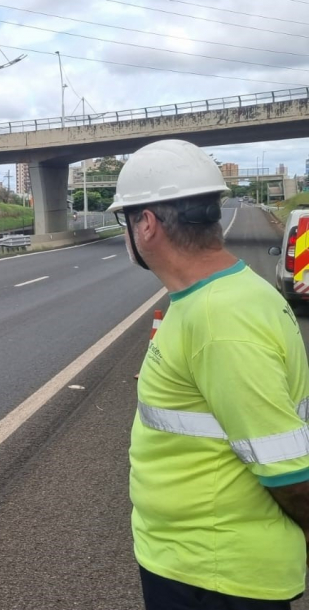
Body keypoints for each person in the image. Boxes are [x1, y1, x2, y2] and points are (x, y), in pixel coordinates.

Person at [112, 139, 309, 609]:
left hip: (216, 575)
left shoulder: (219, 318)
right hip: (196, 562)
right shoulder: (212, 297)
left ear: (147, 224)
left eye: (126, 221)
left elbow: (288, 467)